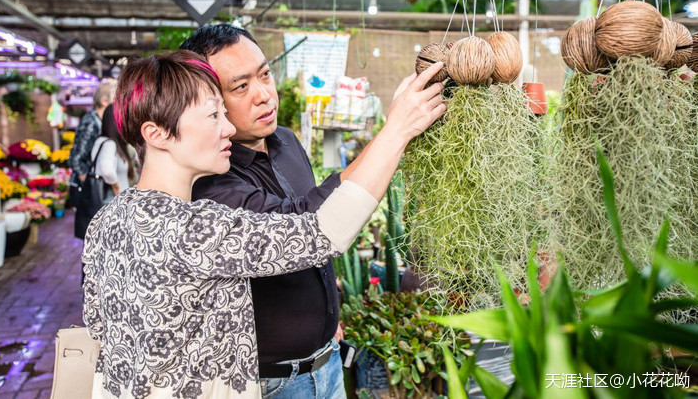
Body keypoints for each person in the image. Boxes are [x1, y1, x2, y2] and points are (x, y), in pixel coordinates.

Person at [82, 50, 446, 398]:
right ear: (156, 133)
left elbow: (99, 326)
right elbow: (323, 232)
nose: (227, 129)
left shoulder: (107, 219)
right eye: (213, 116)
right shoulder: (192, 227)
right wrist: (397, 130)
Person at [181, 25, 383, 398]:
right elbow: (305, 223)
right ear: (210, 100)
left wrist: (327, 316)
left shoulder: (286, 140)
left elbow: (315, 242)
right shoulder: (211, 181)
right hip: (275, 382)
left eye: (265, 74)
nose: (263, 95)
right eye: (240, 87)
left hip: (328, 363)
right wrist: (394, 135)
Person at [70, 81, 114, 239]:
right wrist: (89, 183)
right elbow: (76, 158)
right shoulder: (91, 123)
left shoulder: (99, 121)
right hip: (87, 189)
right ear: (104, 101)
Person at [90, 105, 136, 203]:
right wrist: (116, 187)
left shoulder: (100, 141)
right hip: (114, 203)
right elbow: (106, 170)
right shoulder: (109, 144)